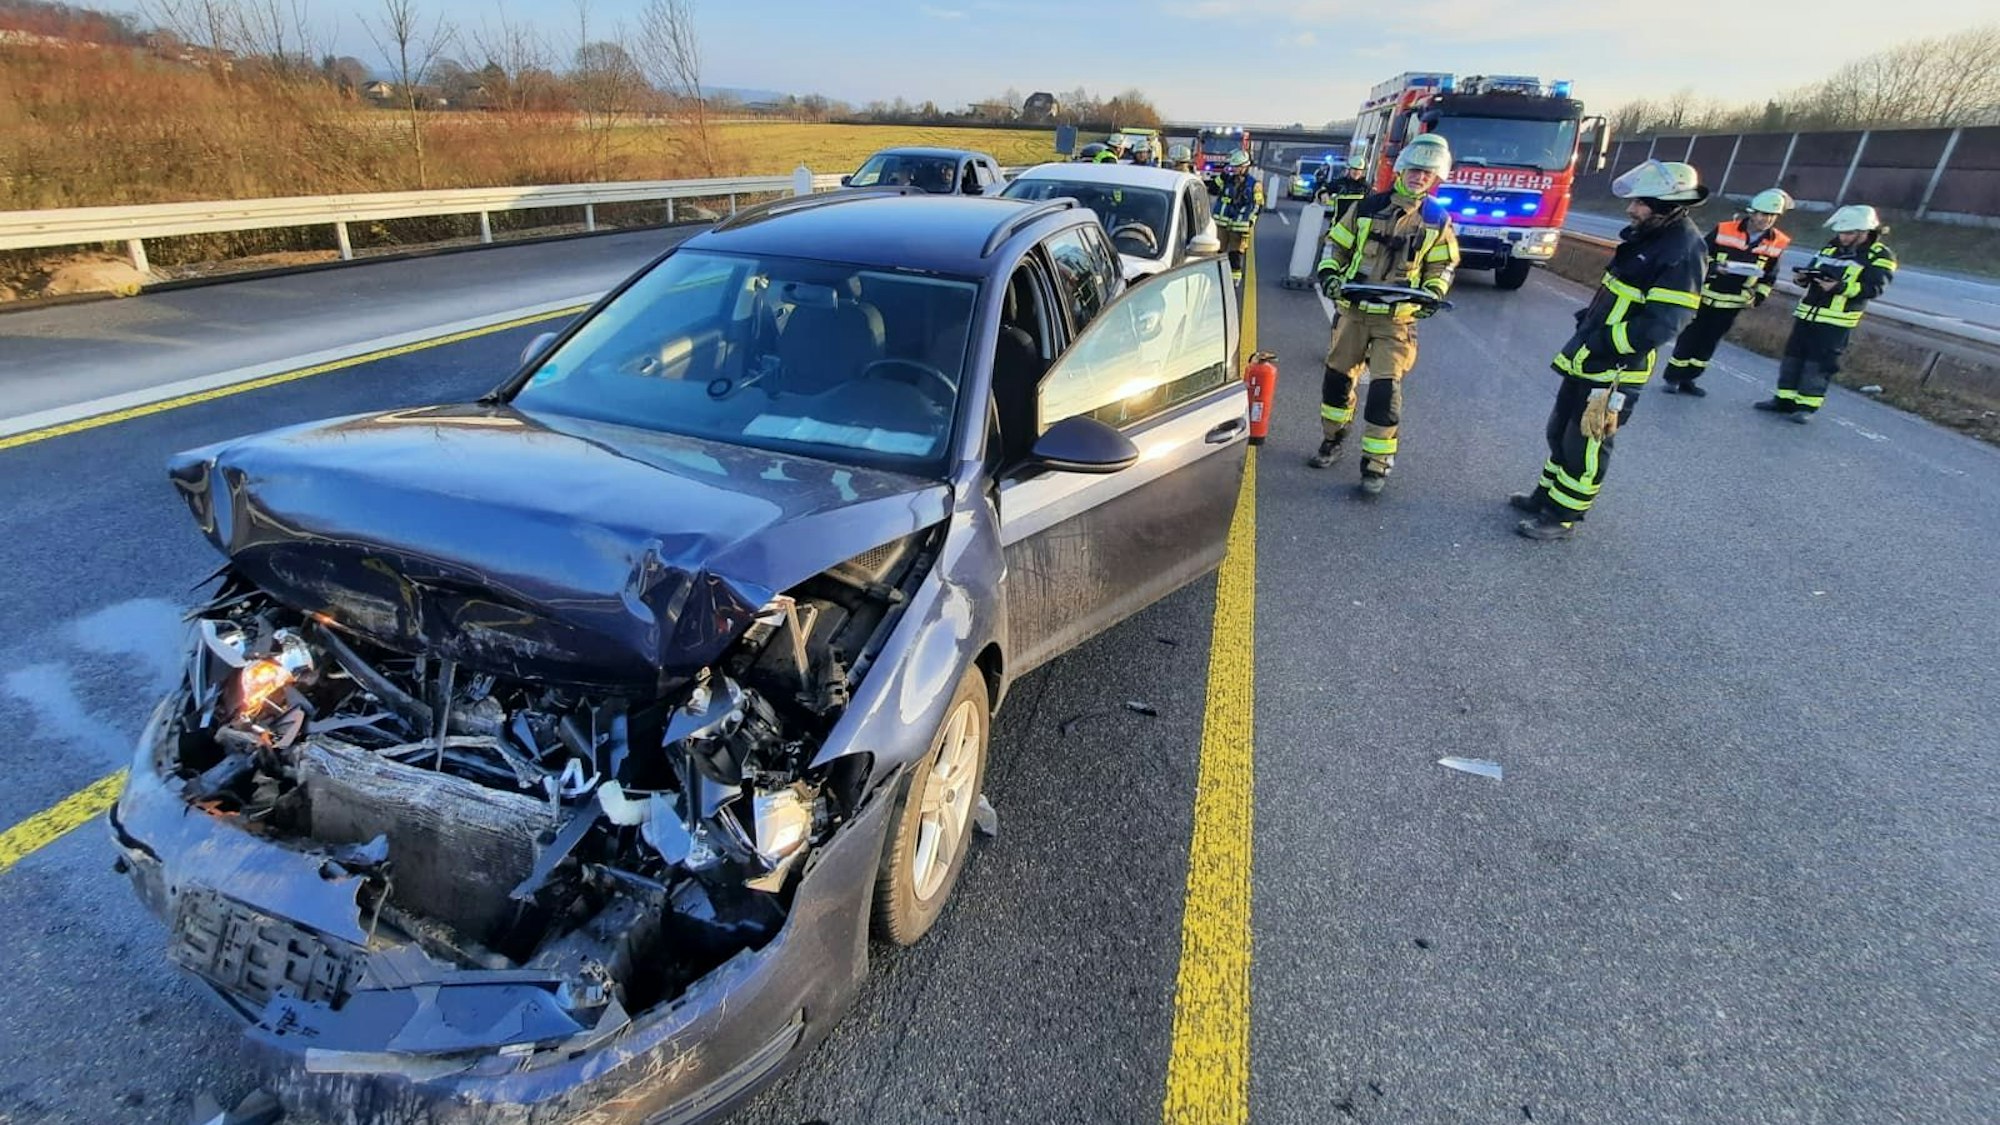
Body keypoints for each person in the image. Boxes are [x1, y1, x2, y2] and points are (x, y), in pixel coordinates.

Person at [1510, 159, 1707, 541]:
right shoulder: (1649, 238)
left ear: (1667, 205)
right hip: (1589, 359)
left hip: (1615, 371)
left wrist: (1603, 342)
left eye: (1641, 203)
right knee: (1560, 431)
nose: (1631, 209)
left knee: (1586, 444)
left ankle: (1562, 516)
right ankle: (1545, 496)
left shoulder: (1682, 249)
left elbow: (1664, 323)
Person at [1309, 133, 1459, 495]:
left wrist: (1434, 292)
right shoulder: (1365, 207)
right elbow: (1336, 244)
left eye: (1427, 173)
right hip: (1354, 312)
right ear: (1401, 169)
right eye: (1414, 170)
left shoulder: (1437, 219)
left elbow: (1443, 265)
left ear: (1434, 178)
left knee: (1384, 391)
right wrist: (1329, 275)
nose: (1419, 177)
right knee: (1337, 381)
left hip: (1396, 321)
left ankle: (1375, 465)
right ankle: (1333, 439)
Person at [1752, 204, 1897, 423]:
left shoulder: (1880, 255)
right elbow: (1814, 268)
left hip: (1836, 321)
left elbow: (1874, 288)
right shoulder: (1832, 247)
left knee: (1818, 365)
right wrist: (1803, 279)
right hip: (1807, 314)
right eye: (1840, 232)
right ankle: (1783, 400)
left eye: (1848, 233)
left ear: (1864, 232)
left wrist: (1839, 288)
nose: (1843, 237)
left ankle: (1806, 407)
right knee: (1793, 359)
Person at [1662, 188, 1793, 397]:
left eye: (1771, 216)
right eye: (1762, 214)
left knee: (1709, 343)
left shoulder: (1778, 242)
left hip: (1732, 303)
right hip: (1705, 295)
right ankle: (1673, 377)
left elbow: (1769, 276)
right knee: (1690, 336)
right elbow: (1699, 255)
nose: (1766, 219)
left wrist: (1758, 297)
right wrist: (1715, 268)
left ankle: (1689, 379)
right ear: (1752, 213)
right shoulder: (1725, 229)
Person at [1211, 150, 1263, 285]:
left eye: (1237, 166)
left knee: (1235, 255)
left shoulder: (1254, 185)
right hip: (1221, 223)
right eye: (1233, 166)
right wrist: (1221, 176)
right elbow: (1212, 189)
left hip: (1239, 226)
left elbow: (1258, 206)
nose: (1234, 169)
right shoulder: (1226, 179)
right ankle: (1215, 277)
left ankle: (1234, 280)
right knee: (1217, 252)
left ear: (1245, 167)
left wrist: (1251, 221)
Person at [1316, 152, 1372, 220]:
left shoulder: (1366, 187)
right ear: (1349, 169)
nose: (1356, 172)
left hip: (1354, 224)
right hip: (1338, 223)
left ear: (1363, 172)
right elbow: (1325, 189)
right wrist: (1323, 194)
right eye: (1354, 169)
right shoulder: (1340, 183)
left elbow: (1369, 206)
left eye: (1359, 170)